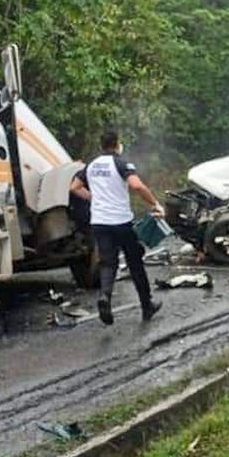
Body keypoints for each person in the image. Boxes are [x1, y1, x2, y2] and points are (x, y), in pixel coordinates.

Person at [70, 131, 164, 325]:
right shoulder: (121, 163)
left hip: (99, 223)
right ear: (117, 144)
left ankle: (105, 296)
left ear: (102, 145)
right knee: (135, 261)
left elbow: (74, 187)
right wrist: (154, 203)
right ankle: (147, 306)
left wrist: (93, 197)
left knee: (108, 263)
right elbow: (137, 186)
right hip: (120, 222)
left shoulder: (91, 166)